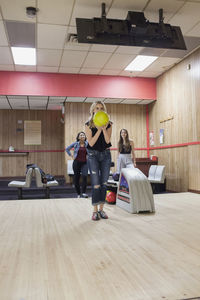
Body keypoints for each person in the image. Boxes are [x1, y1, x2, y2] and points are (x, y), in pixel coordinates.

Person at [85, 101, 112, 221]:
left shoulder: (109, 124)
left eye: (101, 108)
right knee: (96, 184)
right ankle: (95, 211)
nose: (99, 110)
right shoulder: (88, 124)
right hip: (93, 155)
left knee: (104, 183)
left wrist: (104, 129)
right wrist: (99, 130)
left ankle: (102, 210)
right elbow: (90, 143)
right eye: (97, 108)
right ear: (93, 110)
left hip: (106, 154)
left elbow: (107, 141)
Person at [66, 132, 88, 198]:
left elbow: (92, 150)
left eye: (83, 135)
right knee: (76, 178)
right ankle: (78, 193)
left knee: (84, 176)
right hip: (76, 163)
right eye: (80, 135)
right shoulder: (75, 144)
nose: (82, 136)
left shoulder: (87, 144)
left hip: (85, 163)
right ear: (78, 137)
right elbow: (67, 149)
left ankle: (83, 192)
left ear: (85, 137)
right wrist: (71, 155)